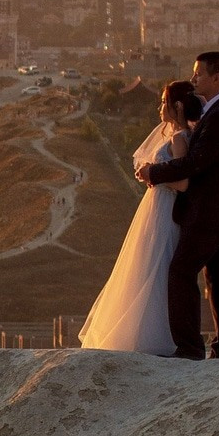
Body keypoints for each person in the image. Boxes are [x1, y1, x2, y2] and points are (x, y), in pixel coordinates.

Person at [138, 50, 219, 359]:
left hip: (210, 212)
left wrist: (153, 172)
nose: (194, 78)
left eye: (199, 74)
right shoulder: (214, 113)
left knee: (182, 272)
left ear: (217, 78)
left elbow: (196, 163)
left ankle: (190, 348)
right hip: (217, 210)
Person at [79, 80, 200, 354]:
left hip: (166, 210)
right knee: (145, 265)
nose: (160, 107)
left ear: (176, 106)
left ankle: (153, 336)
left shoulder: (180, 138)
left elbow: (182, 184)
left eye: (164, 102)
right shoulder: (173, 134)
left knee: (157, 267)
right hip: (155, 207)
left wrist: (152, 176)